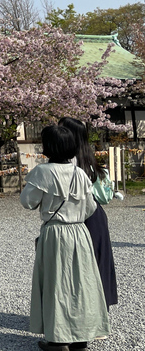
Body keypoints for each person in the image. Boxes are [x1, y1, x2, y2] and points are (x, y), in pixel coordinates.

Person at [20, 125, 109, 350]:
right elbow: (90, 207)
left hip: (55, 232)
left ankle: (57, 338)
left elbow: (27, 202)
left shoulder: (42, 172)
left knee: (56, 282)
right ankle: (81, 336)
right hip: (80, 232)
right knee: (81, 283)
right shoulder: (80, 173)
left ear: (48, 147)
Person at [59, 117, 118, 309]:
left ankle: (85, 313)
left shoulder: (68, 162)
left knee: (79, 266)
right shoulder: (88, 158)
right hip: (95, 216)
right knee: (96, 262)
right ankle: (99, 312)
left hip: (79, 217)